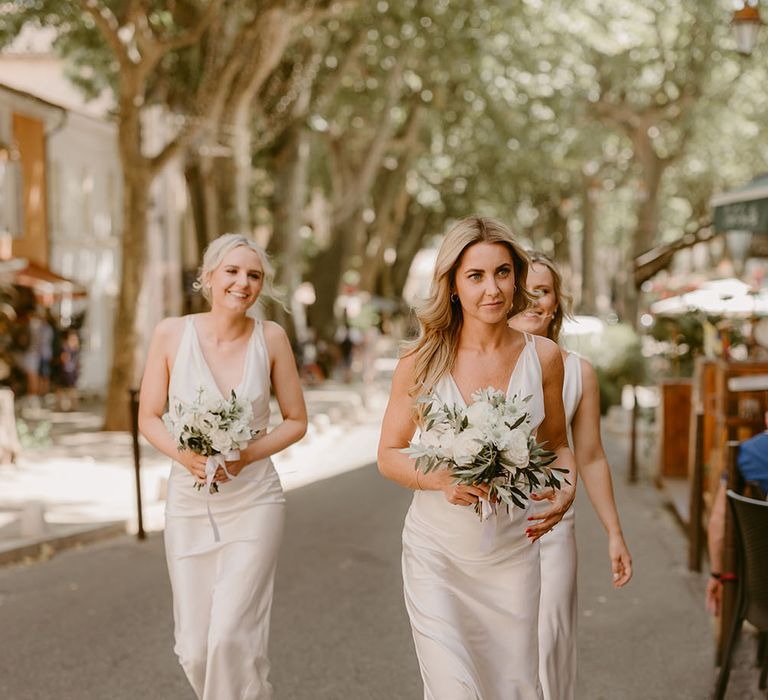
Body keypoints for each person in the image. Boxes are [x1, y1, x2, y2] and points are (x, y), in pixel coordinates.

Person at [377, 217, 577, 699]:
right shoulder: (421, 361)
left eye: (504, 273)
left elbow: (557, 444)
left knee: (513, 688)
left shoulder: (545, 357)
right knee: (454, 691)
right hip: (437, 554)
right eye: (476, 276)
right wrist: (441, 479)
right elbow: (388, 454)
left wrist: (566, 488)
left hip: (511, 551)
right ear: (451, 285)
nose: (493, 288)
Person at [138, 233, 307, 699]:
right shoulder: (171, 333)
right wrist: (184, 455)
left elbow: (296, 421)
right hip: (189, 505)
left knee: (231, 637)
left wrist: (247, 454)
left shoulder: (270, 338)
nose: (243, 282)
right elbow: (148, 416)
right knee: (194, 648)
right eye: (232, 271)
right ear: (209, 277)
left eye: (254, 275)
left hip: (254, 502)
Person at [509, 252, 632, 700]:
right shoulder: (483, 364)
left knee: (550, 642)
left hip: (552, 528)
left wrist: (614, 533)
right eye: (525, 289)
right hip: (489, 525)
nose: (533, 300)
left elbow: (592, 457)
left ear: (557, 301)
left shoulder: (579, 372)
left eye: (543, 291)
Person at [706, 411, 768, 617]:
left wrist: (718, 575)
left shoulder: (745, 453)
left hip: (759, 587)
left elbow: (718, 522)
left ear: (767, 418)